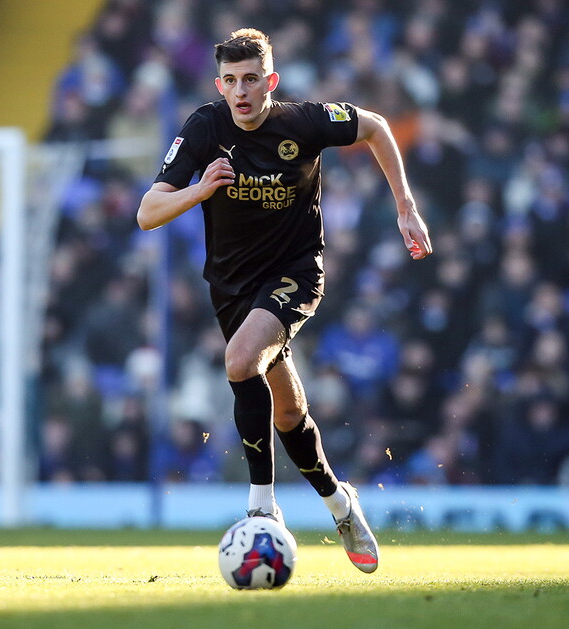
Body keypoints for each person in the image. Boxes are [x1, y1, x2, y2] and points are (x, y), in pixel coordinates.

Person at [137, 28, 433, 574]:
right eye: (231, 81)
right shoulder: (205, 127)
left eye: (251, 79)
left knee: (239, 360)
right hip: (231, 288)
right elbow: (147, 212)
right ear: (219, 85)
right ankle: (341, 504)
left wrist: (405, 206)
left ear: (270, 80)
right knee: (289, 409)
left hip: (294, 274)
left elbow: (376, 127)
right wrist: (199, 191)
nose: (242, 91)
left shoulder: (303, 123)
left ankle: (261, 508)